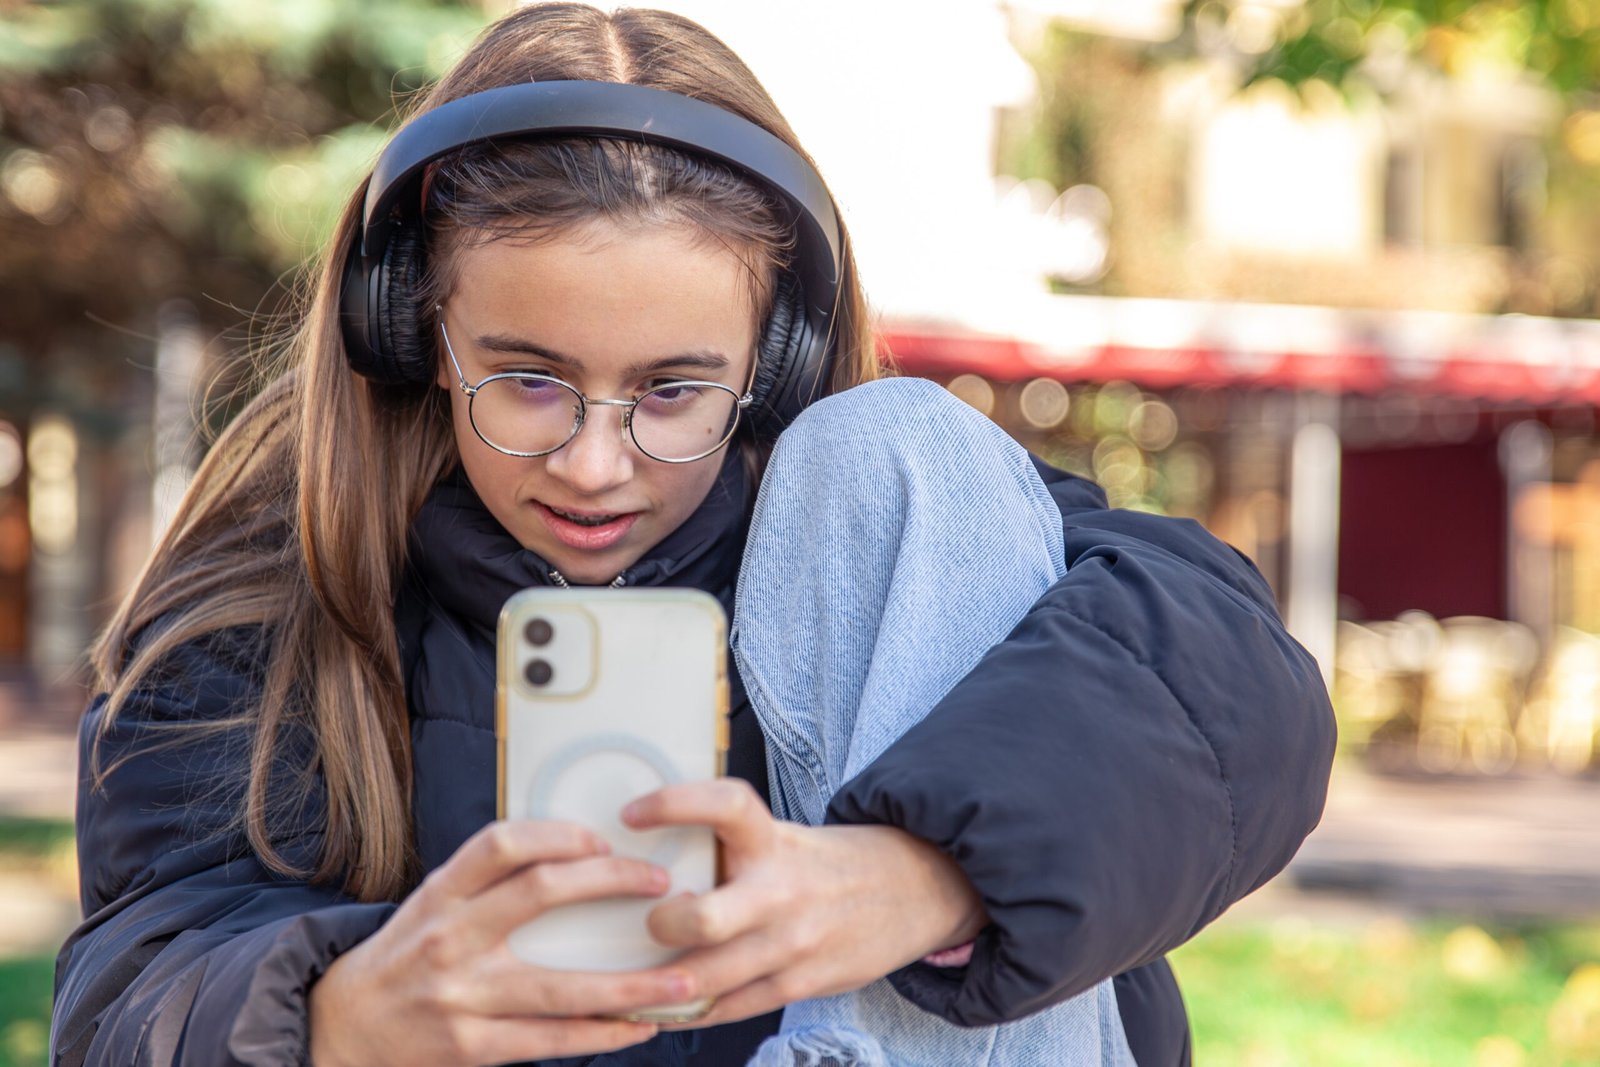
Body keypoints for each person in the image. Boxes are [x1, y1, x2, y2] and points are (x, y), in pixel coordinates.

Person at [51, 4, 1336, 1066]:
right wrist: (336, 1019)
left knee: (905, 441)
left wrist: (923, 874)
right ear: (413, 337)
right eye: (528, 379)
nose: (597, 463)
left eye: (672, 391)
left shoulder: (909, 538)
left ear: (772, 368)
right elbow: (126, 995)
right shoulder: (254, 621)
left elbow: (1232, 689)